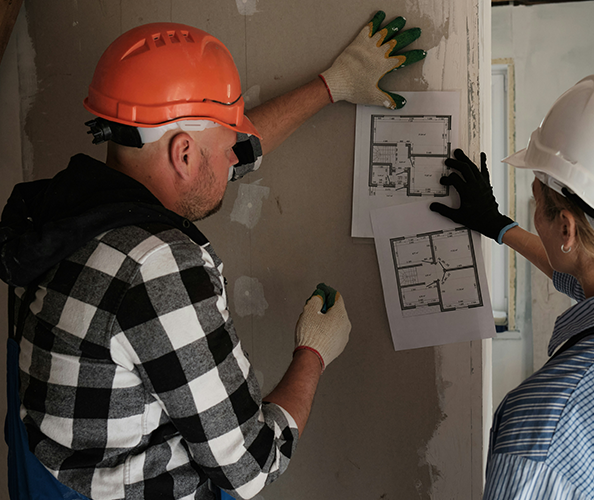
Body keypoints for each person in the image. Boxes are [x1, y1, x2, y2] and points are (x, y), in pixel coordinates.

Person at [0, 12, 425, 500]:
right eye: (227, 146)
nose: (236, 157)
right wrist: (314, 353)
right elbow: (251, 465)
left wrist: (333, 84)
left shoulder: (62, 213)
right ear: (183, 153)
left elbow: (215, 163)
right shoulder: (157, 269)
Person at [431, 72, 594, 498]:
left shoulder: (548, 425)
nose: (534, 210)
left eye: (537, 200)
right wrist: (500, 227)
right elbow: (589, 281)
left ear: (566, 228)